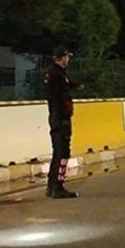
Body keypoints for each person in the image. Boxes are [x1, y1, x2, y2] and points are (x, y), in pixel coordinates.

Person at [45, 46, 82, 199]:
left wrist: (75, 85)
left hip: (55, 116)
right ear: (62, 57)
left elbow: (66, 85)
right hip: (61, 118)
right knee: (63, 153)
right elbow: (61, 95)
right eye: (67, 57)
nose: (68, 60)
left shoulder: (55, 73)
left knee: (57, 153)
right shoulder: (58, 75)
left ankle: (51, 186)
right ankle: (58, 187)